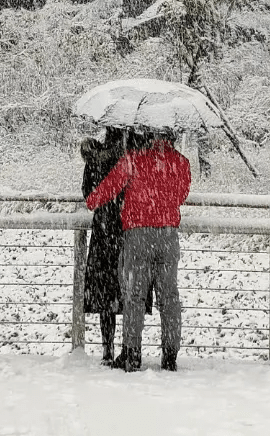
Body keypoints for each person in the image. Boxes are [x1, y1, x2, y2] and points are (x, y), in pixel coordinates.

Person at [85, 126, 191, 373]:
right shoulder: (181, 163)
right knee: (169, 299)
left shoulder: (132, 160)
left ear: (149, 135)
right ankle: (170, 355)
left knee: (134, 297)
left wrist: (92, 200)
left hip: (137, 236)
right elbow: (181, 195)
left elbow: (104, 192)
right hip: (167, 236)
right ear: (172, 136)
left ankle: (132, 354)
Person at [81, 130, 125, 364]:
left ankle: (107, 347)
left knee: (104, 293)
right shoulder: (130, 156)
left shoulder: (95, 158)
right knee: (127, 290)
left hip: (102, 229)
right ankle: (129, 347)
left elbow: (87, 194)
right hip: (126, 228)